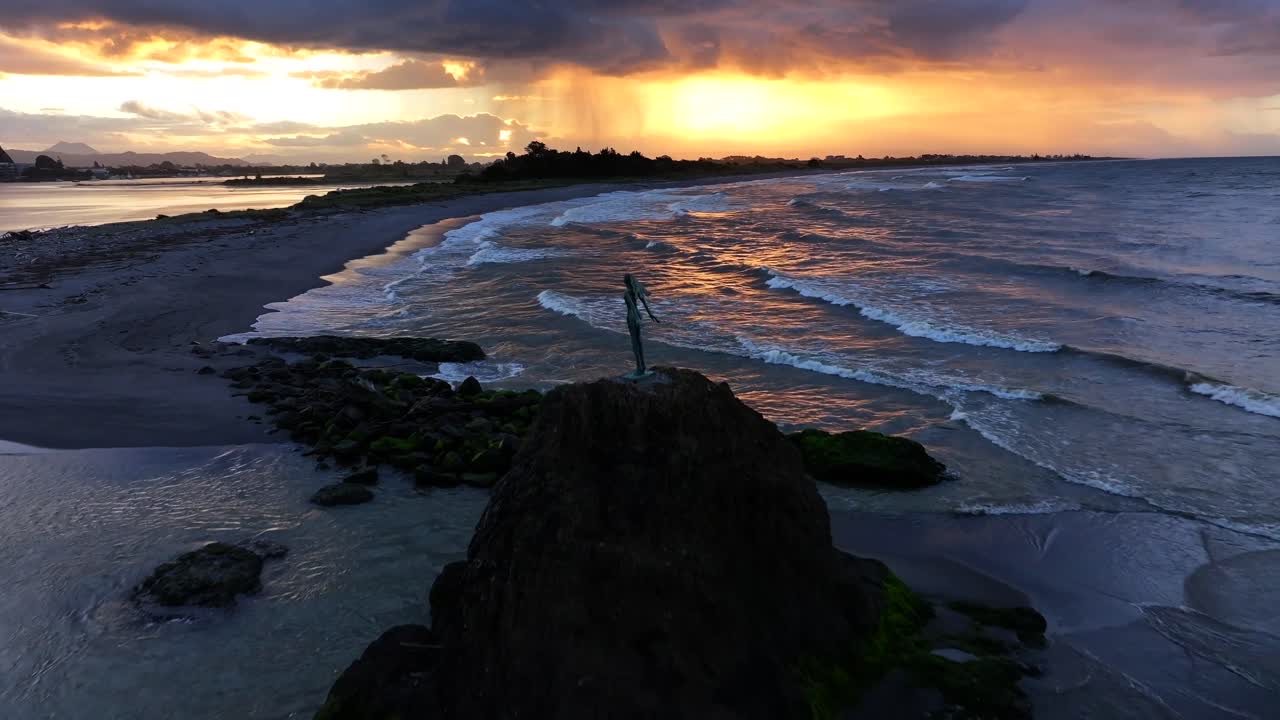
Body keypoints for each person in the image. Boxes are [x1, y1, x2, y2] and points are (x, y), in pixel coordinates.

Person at [623, 273, 660, 376]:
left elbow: (632, 306)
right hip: (638, 319)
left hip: (632, 318)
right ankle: (643, 366)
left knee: (635, 344)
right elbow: (644, 303)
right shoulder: (636, 291)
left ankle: (639, 368)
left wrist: (637, 315)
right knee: (640, 343)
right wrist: (651, 315)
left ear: (625, 283)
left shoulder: (626, 293)